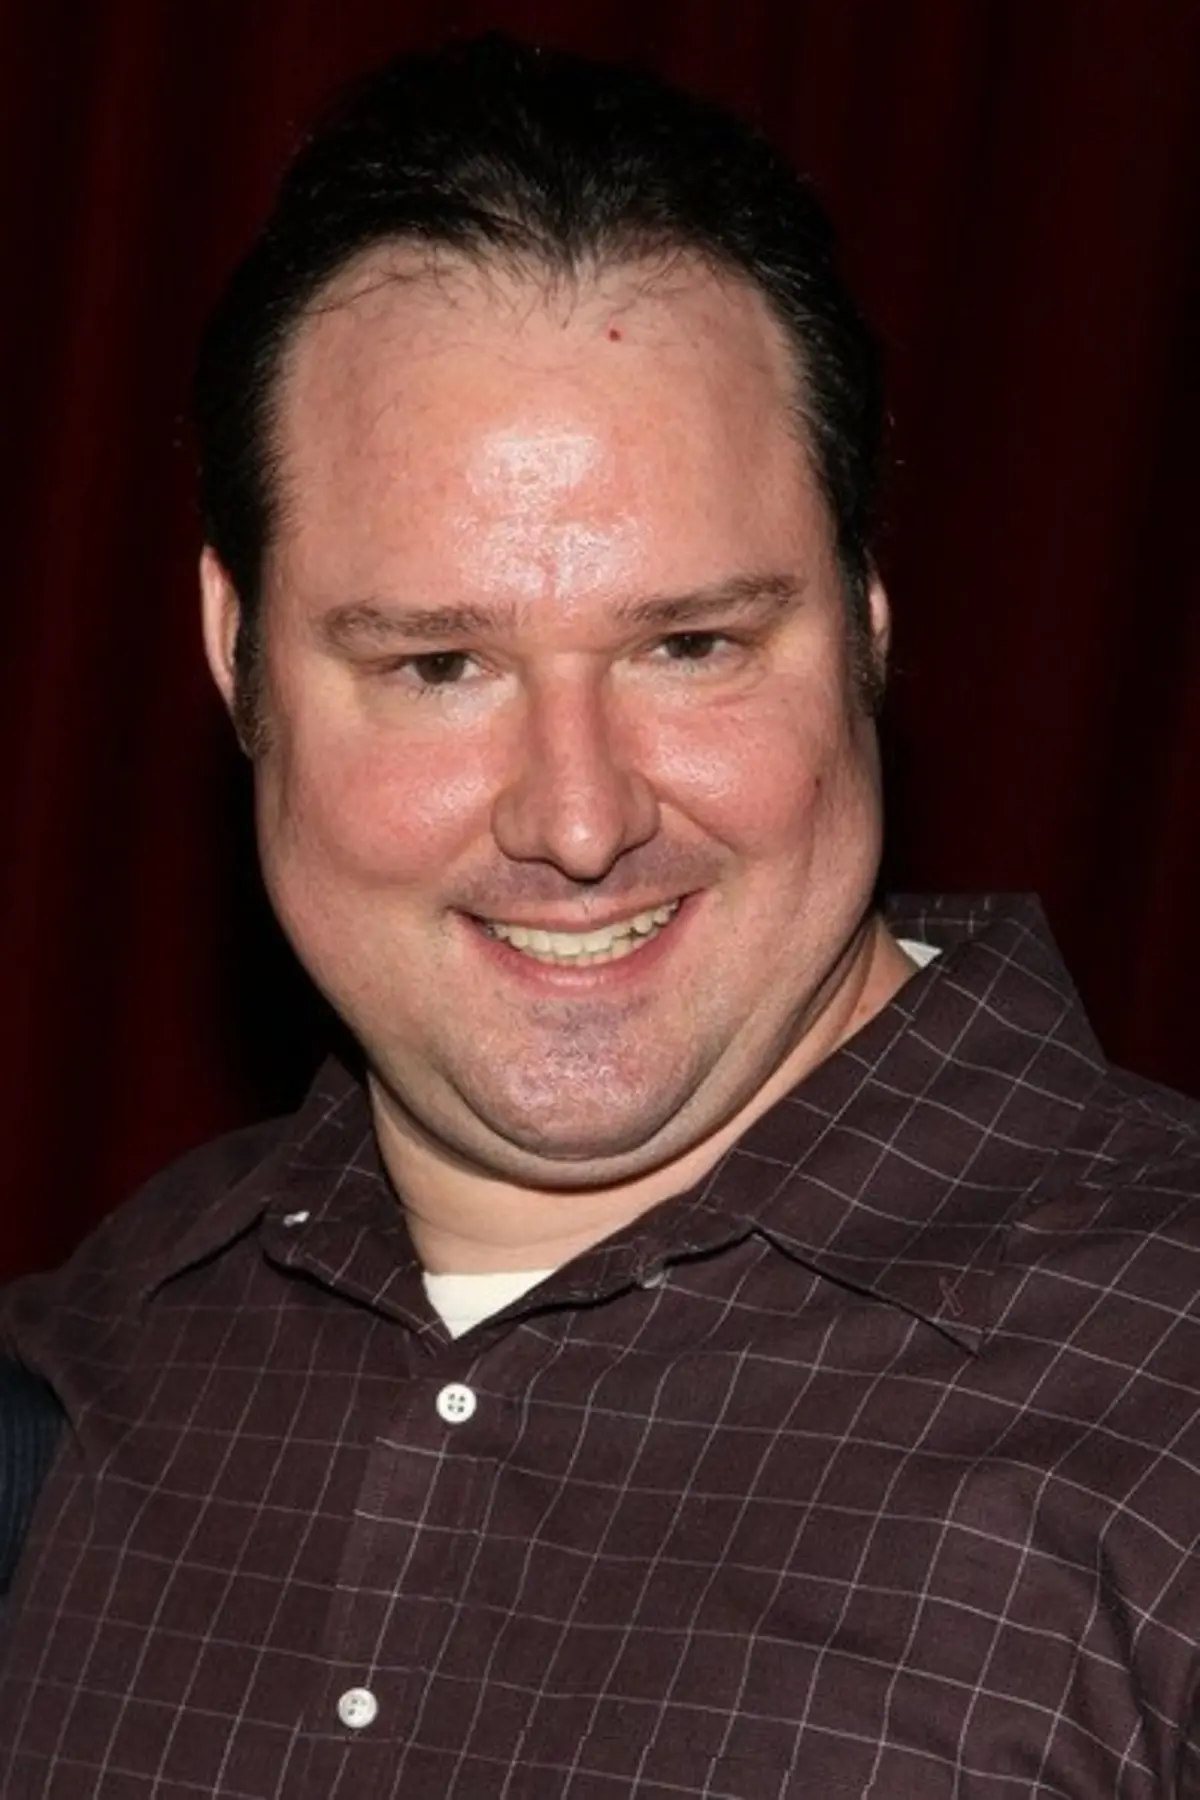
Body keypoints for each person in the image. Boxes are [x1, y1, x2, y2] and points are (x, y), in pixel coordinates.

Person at [2, 31, 1199, 1798]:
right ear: (233, 652)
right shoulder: (84, 1383)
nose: (578, 821)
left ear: (867, 624)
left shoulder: (1168, 1406)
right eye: (438, 664)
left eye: (691, 644)